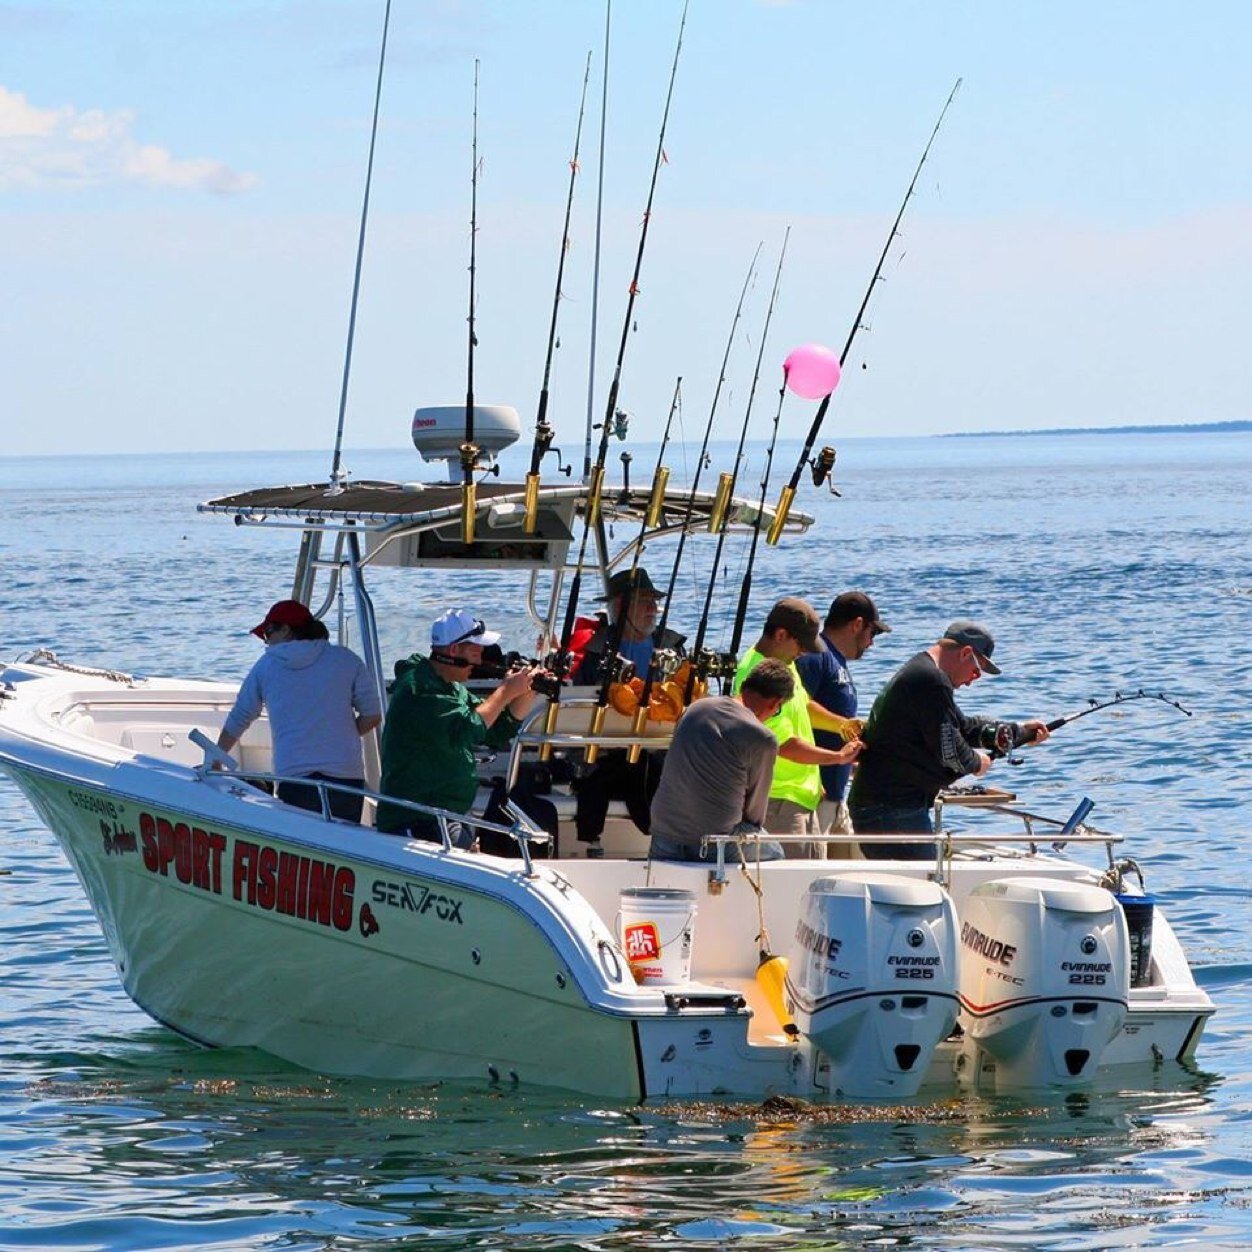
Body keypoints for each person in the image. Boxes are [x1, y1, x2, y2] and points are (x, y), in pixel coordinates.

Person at [848, 619, 1051, 860]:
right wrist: (978, 763)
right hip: (890, 810)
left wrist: (1018, 731)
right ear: (966, 653)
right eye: (976, 671)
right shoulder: (931, 681)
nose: (972, 680)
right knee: (924, 888)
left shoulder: (923, 672)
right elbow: (951, 751)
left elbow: (963, 727)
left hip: (886, 806)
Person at [376, 609, 539, 848]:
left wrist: (528, 691)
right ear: (454, 651)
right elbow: (470, 728)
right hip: (419, 819)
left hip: (448, 814)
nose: (481, 657)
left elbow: (496, 731)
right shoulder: (421, 691)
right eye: (476, 649)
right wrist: (506, 690)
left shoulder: (450, 688)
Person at [217, 599, 382, 823]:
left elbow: (241, 717)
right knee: (342, 845)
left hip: (296, 780)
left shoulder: (266, 666)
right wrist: (339, 734)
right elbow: (373, 714)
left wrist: (216, 759)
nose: (266, 642)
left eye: (267, 633)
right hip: (346, 779)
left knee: (305, 847)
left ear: (286, 630)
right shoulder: (346, 659)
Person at [731, 597, 864, 859]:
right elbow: (783, 744)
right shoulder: (756, 674)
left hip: (802, 798)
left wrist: (843, 726)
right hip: (778, 803)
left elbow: (804, 705)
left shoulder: (784, 663)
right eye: (801, 645)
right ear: (781, 634)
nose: (803, 653)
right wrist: (836, 758)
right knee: (794, 888)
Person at [571, 568, 686, 850]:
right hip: (607, 753)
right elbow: (580, 703)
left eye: (655, 601)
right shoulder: (596, 651)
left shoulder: (673, 647)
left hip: (660, 751)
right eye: (644, 600)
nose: (653, 608)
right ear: (620, 606)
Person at [649, 659, 795, 863]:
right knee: (775, 853)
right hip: (714, 843)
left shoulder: (694, 709)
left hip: (663, 833)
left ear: (744, 685)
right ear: (774, 703)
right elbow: (754, 814)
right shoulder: (763, 738)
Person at [795, 591, 890, 843]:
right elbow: (798, 706)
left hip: (838, 795)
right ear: (857, 625)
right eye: (873, 633)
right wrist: (843, 725)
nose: (871, 643)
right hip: (816, 796)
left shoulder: (837, 662)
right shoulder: (816, 657)